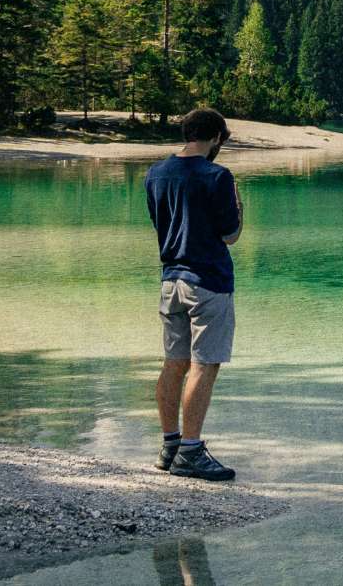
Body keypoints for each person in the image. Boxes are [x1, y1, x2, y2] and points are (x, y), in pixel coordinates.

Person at [149, 106, 242, 481]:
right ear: (216, 137)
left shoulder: (156, 173)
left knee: (175, 363)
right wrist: (240, 207)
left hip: (170, 279)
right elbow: (230, 235)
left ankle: (170, 445)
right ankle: (191, 451)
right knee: (204, 365)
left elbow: (163, 224)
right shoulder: (218, 176)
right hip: (208, 281)